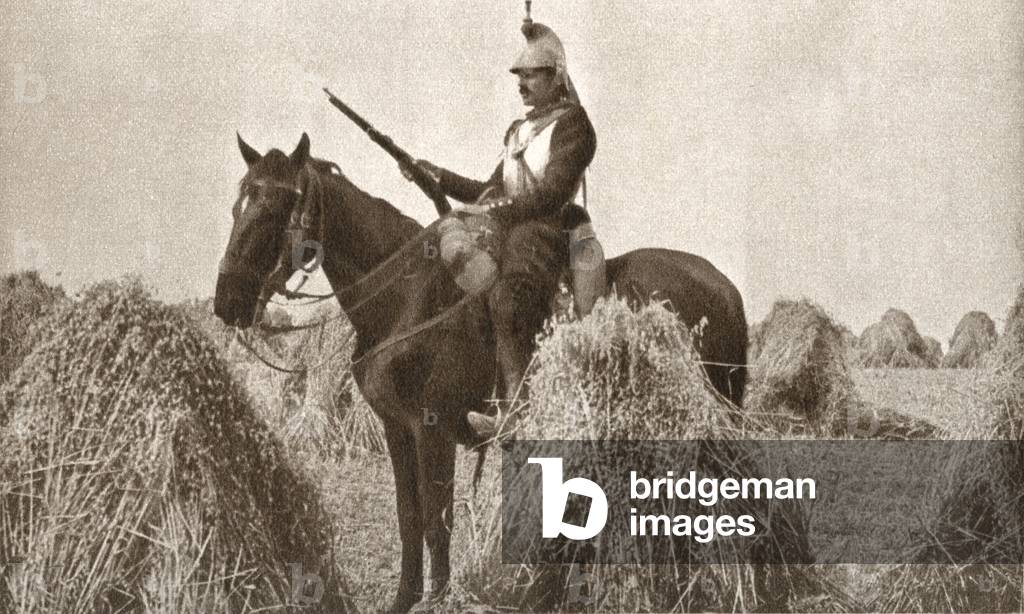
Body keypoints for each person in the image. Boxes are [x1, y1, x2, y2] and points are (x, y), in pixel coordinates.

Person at [406, 19, 603, 407]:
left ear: (556, 77)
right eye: (520, 75)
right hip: (515, 224)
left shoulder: (574, 125)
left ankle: (516, 406)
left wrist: (495, 210)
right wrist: (436, 176)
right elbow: (491, 190)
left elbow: (550, 194)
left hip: (546, 230)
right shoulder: (518, 130)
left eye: (531, 76)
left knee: (507, 297)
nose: (522, 84)